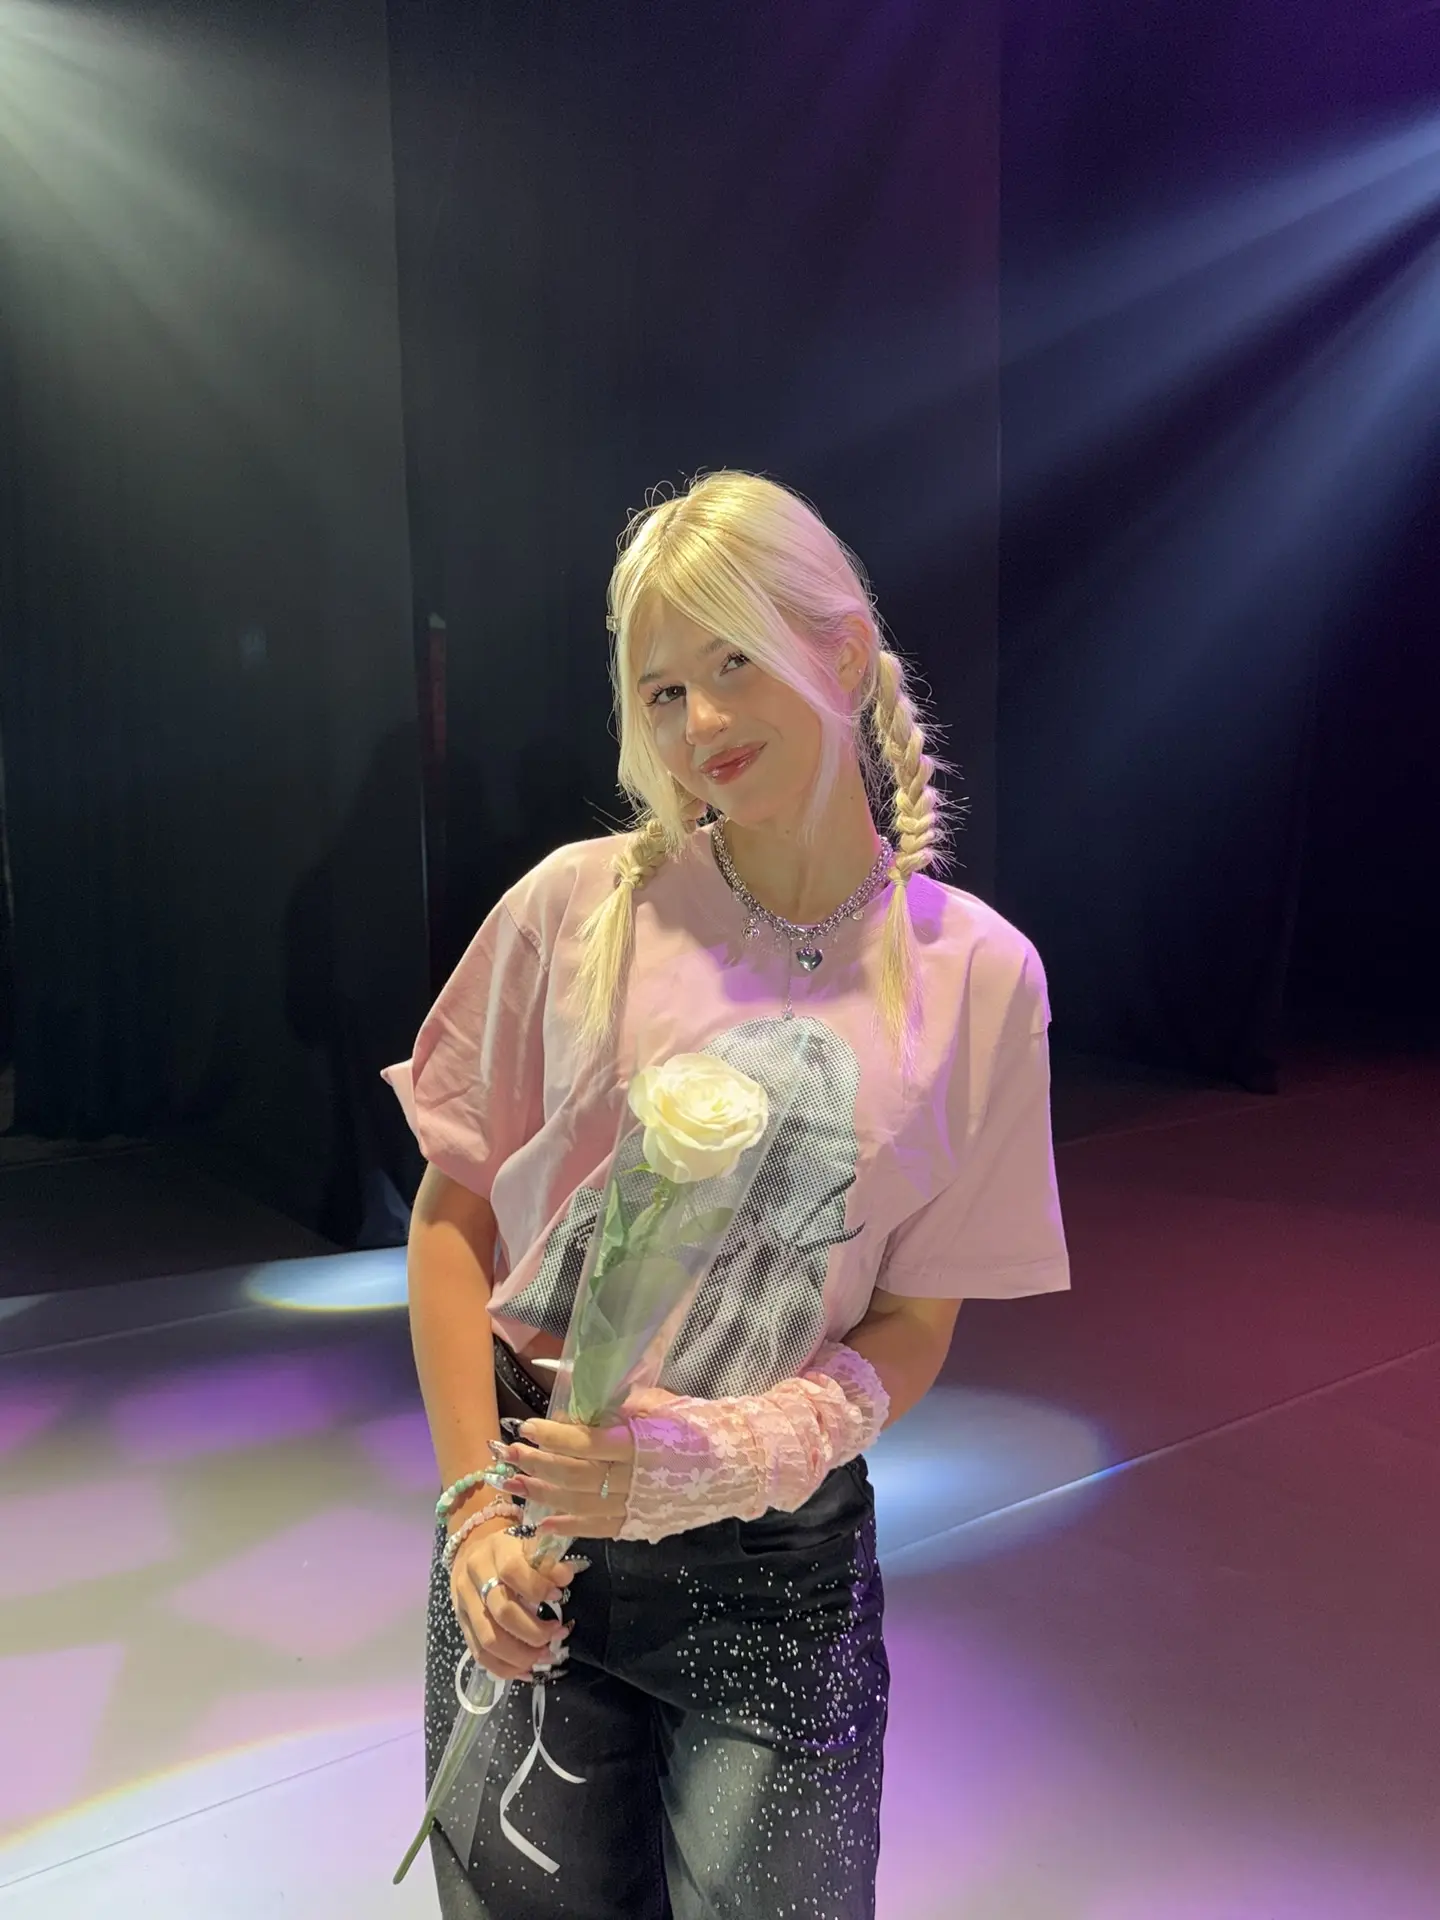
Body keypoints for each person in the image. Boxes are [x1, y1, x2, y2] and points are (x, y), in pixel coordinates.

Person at [383, 471, 1070, 1920]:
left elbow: (915, 1321)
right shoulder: (576, 908)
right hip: (533, 1531)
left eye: (735, 661)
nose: (701, 721)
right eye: (663, 690)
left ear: (842, 648)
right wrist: (474, 1517)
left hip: (776, 1573)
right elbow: (451, 1224)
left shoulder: (980, 978)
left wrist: (738, 1453)